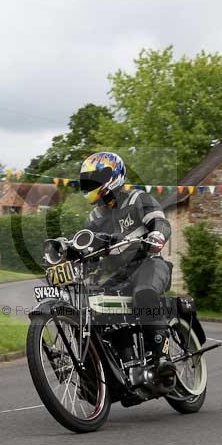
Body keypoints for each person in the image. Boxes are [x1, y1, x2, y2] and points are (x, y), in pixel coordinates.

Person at [79, 151, 175, 390]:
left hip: (149, 264)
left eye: (95, 179)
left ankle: (161, 358)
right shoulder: (95, 216)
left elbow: (161, 221)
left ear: (113, 177)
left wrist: (157, 235)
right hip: (118, 277)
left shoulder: (138, 199)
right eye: (87, 181)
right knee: (95, 306)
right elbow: (87, 248)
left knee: (144, 293)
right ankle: (112, 370)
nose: (91, 186)